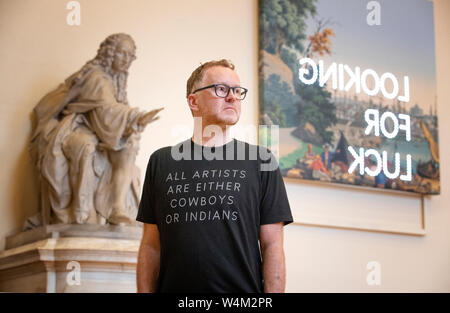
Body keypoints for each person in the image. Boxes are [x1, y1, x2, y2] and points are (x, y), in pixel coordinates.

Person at [136, 59, 293, 293]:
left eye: (237, 91)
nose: (232, 97)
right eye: (221, 89)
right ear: (193, 101)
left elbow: (272, 246)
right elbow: (151, 246)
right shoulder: (161, 162)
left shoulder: (262, 162)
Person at [29, 33, 162, 225]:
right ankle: (83, 212)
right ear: (110, 54)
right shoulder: (95, 76)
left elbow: (110, 118)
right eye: (122, 54)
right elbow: (107, 110)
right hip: (76, 126)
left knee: (129, 145)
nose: (126, 60)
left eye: (130, 56)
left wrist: (132, 126)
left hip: (101, 129)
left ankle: (117, 208)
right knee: (86, 146)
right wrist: (135, 117)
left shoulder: (118, 79)